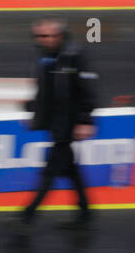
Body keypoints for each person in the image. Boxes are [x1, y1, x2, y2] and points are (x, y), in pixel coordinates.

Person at [15, 18, 99, 230]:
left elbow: (88, 90)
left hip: (69, 122)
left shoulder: (74, 55)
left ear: (60, 35)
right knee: (70, 169)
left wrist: (85, 120)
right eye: (41, 36)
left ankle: (26, 216)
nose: (46, 39)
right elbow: (46, 92)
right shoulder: (44, 58)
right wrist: (32, 110)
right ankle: (85, 212)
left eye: (51, 35)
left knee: (50, 171)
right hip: (56, 123)